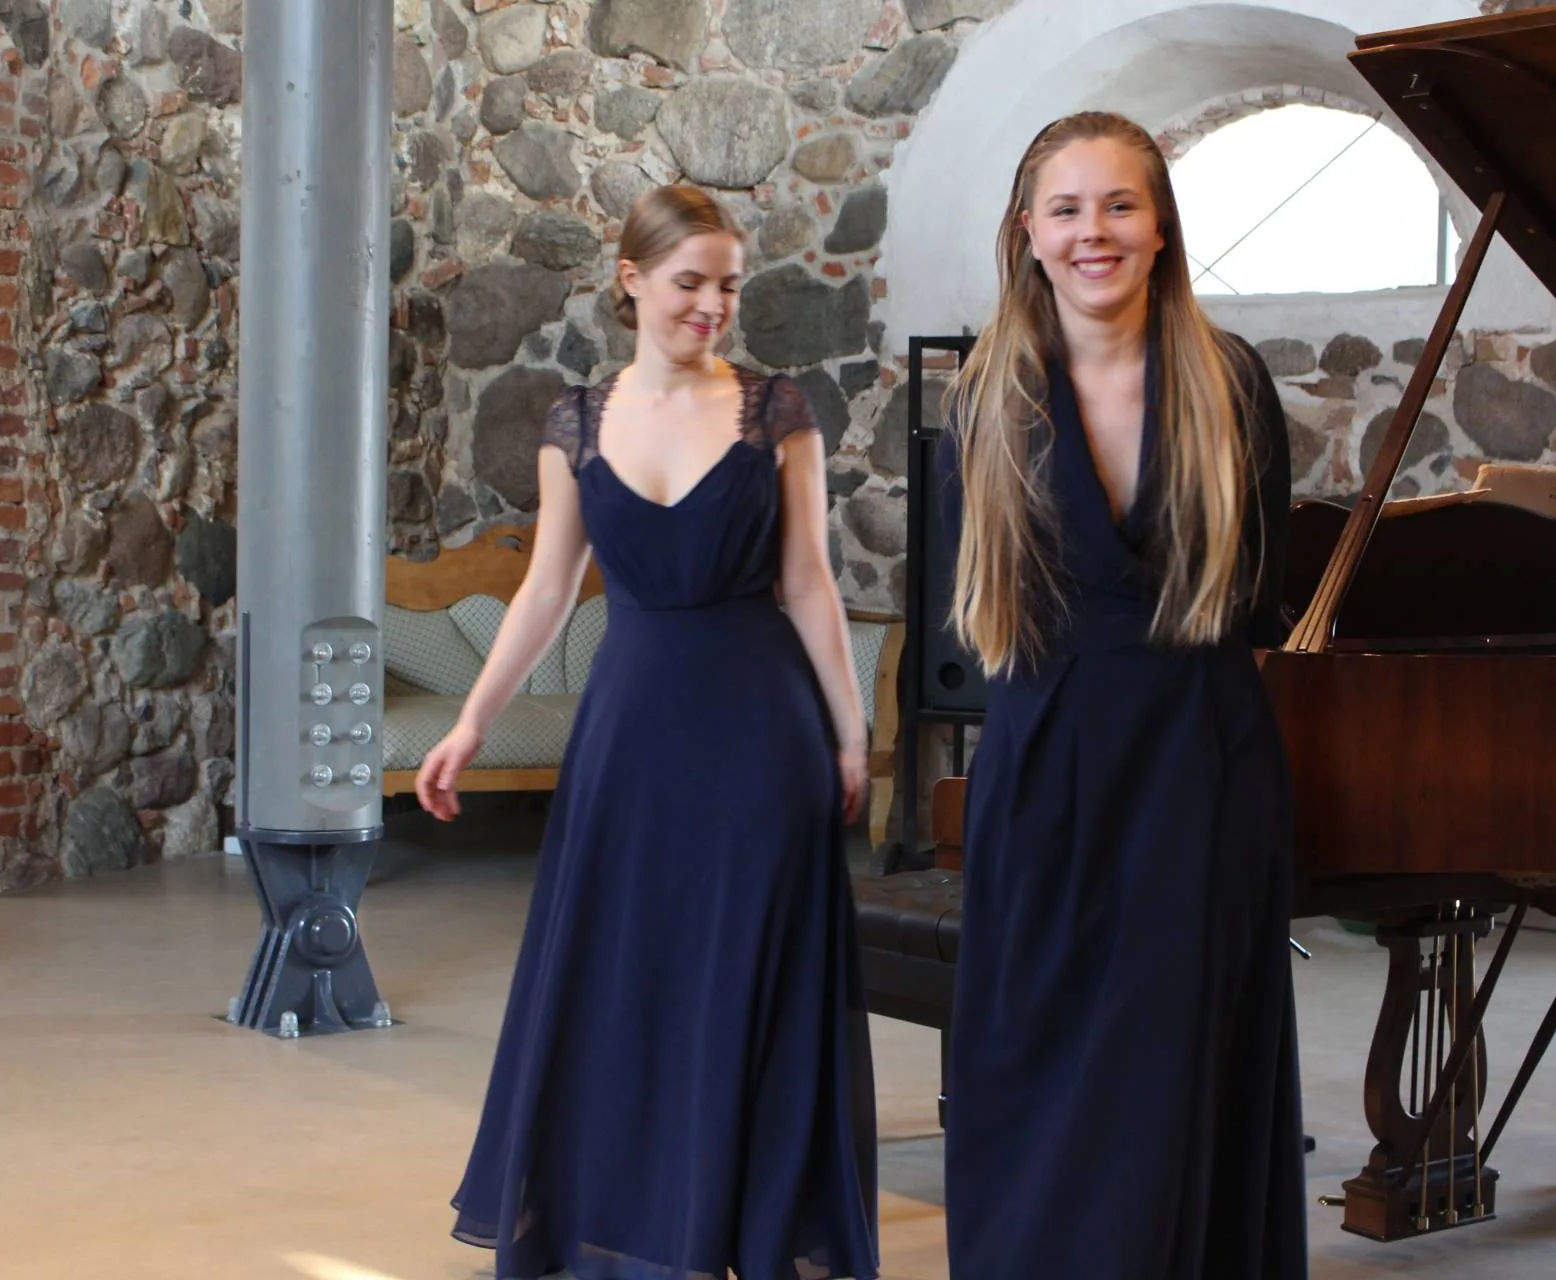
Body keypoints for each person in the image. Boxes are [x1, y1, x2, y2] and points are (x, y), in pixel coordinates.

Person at [417, 183, 880, 1280]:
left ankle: (745, 1226)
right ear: (630, 280)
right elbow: (544, 591)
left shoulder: (778, 410)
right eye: (689, 283)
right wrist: (472, 723)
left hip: (763, 732)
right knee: (624, 977)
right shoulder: (573, 421)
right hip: (629, 739)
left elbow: (810, 584)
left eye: (728, 285)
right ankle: (640, 1224)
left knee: (749, 975)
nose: (711, 305)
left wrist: (852, 736)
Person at [936, 111, 1307, 1278]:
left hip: (1201, 759)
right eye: (1066, 208)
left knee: (1175, 1071)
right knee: (1035, 1063)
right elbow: (982, 599)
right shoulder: (987, 394)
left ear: (1161, 228)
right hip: (1042, 757)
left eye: (1119, 205)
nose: (1092, 231)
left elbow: (1258, 594)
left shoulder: (1230, 380)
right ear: (1027, 231)